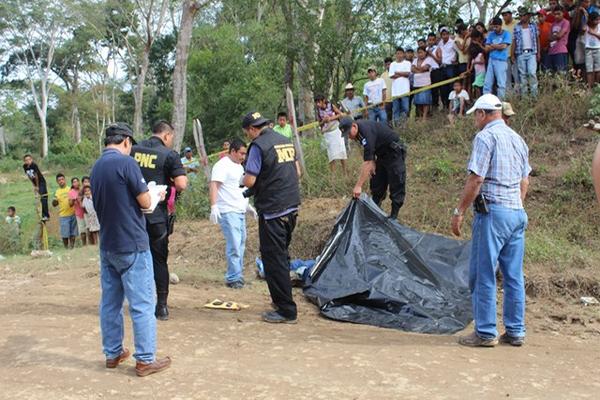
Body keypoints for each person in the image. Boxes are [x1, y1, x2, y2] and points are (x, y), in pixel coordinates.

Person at [91, 122, 171, 377]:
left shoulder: (96, 168)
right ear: (126, 141)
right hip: (132, 244)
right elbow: (145, 202)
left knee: (111, 303)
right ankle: (146, 359)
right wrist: (156, 194)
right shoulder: (127, 164)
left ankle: (112, 353)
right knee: (142, 304)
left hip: (108, 245)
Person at [451, 94, 531, 348]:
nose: (475, 119)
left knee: (483, 273)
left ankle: (485, 332)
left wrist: (459, 211)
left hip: (493, 213)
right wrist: (515, 206)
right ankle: (515, 330)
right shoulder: (517, 139)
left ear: (483, 114)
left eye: (476, 114)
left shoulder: (485, 137)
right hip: (516, 213)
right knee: (513, 275)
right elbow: (524, 181)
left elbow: (476, 179)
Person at [241, 111, 301, 324]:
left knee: (273, 260)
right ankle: (281, 301)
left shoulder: (258, 146)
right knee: (282, 256)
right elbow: (298, 172)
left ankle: (286, 310)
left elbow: (249, 180)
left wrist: (245, 180)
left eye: (248, 132)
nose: (249, 136)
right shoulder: (284, 140)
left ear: (252, 129)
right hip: (291, 207)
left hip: (273, 211)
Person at [130, 120, 188, 321]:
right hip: (156, 218)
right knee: (159, 260)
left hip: (132, 216)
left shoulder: (133, 149)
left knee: (134, 259)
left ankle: (137, 303)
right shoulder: (169, 155)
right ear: (166, 136)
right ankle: (161, 306)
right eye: (171, 138)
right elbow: (181, 184)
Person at [209, 139, 257, 289]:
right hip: (228, 210)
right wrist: (213, 206)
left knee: (241, 242)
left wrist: (247, 205)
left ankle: (238, 275)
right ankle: (233, 277)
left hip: (239, 209)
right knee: (235, 244)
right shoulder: (222, 165)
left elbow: (238, 188)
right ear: (233, 151)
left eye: (245, 153)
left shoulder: (239, 166)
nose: (244, 156)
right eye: (242, 153)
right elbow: (214, 185)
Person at [339, 117, 406, 220]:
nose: (349, 136)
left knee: (396, 183)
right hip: (381, 154)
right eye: (346, 135)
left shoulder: (366, 131)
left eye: (349, 133)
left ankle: (394, 217)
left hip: (394, 153)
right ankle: (375, 210)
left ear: (354, 126)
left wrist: (358, 186)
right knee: (377, 181)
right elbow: (369, 151)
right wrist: (373, 160)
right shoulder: (359, 133)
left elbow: (367, 163)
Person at [512, 7, 541, 97]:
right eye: (521, 16)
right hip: (520, 53)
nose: (522, 17)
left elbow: (537, 39)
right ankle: (525, 97)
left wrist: (538, 53)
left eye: (524, 15)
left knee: (532, 73)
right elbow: (514, 41)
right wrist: (512, 54)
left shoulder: (533, 25)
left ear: (528, 16)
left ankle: (534, 96)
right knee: (522, 75)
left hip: (532, 52)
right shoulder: (517, 27)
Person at [315, 95, 348, 172]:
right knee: (331, 155)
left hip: (336, 130)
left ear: (323, 100)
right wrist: (324, 121)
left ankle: (345, 172)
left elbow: (341, 114)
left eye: (319, 102)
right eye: (316, 102)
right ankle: (333, 177)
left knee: (342, 152)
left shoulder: (331, 106)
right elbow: (319, 123)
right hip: (328, 133)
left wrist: (331, 118)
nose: (317, 104)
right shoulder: (318, 111)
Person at [484, 17, 513, 99]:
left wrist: (492, 45)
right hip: (491, 60)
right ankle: (486, 101)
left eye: (496, 26)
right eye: (493, 26)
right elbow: (486, 48)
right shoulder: (491, 34)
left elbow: (504, 46)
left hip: (501, 61)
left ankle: (501, 102)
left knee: (501, 83)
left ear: (501, 25)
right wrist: (498, 46)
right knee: (487, 82)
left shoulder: (506, 34)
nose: (495, 28)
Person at [53, 173, 77, 249]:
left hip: (73, 213)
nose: (61, 181)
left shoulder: (70, 189)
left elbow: (74, 200)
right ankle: (66, 248)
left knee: (73, 233)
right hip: (63, 215)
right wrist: (54, 202)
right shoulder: (57, 192)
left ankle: (72, 248)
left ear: (65, 180)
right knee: (65, 234)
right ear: (57, 182)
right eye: (59, 180)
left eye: (62, 179)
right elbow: (54, 204)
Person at [389, 47, 412, 126]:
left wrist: (397, 72)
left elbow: (408, 74)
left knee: (405, 108)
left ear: (403, 54)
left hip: (405, 90)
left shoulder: (407, 63)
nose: (399, 55)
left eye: (400, 53)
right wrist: (402, 74)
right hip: (395, 92)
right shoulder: (392, 64)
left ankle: (404, 125)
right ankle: (397, 127)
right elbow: (391, 76)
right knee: (396, 110)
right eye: (397, 53)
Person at [436, 27, 458, 109]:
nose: (444, 36)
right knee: (443, 87)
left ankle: (452, 105)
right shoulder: (440, 43)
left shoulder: (453, 42)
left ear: (448, 34)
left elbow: (458, 51)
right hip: (442, 66)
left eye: (446, 34)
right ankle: (445, 105)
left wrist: (456, 61)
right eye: (443, 35)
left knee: (451, 86)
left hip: (450, 67)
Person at [23, 154, 49, 221]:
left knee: (44, 197)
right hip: (36, 184)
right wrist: (34, 185)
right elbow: (29, 176)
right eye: (26, 160)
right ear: (24, 161)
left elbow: (36, 175)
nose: (28, 161)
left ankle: (46, 215)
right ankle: (41, 214)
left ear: (31, 159)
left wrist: (37, 186)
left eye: (29, 159)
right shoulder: (25, 166)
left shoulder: (34, 165)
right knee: (39, 198)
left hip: (41, 182)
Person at [412, 47, 434, 121]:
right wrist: (420, 69)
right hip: (416, 84)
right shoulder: (415, 60)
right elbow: (412, 69)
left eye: (421, 52)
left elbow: (425, 68)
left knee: (425, 101)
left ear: (425, 52)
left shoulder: (429, 59)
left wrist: (417, 69)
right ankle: (420, 116)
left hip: (426, 83)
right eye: (419, 53)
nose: (420, 54)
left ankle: (424, 117)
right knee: (418, 101)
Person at [549, 5, 571, 72]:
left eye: (559, 14)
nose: (556, 16)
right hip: (551, 51)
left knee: (561, 73)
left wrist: (553, 37)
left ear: (563, 13)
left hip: (561, 50)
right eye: (555, 14)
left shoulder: (566, 22)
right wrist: (555, 37)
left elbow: (559, 35)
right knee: (553, 74)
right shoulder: (553, 24)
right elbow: (549, 38)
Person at [502, 10, 520, 93]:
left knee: (517, 76)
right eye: (503, 15)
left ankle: (518, 95)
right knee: (507, 77)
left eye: (506, 15)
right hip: (505, 55)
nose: (504, 17)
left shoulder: (517, 23)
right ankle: (509, 96)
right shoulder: (501, 24)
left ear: (510, 14)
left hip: (516, 54)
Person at [468, 29, 487, 99]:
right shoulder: (473, 59)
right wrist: (468, 70)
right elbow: (471, 68)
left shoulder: (480, 54)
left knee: (476, 85)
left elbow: (483, 62)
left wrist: (475, 62)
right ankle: (479, 98)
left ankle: (480, 98)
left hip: (482, 72)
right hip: (477, 73)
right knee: (477, 87)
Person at [69, 177, 87, 246]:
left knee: (89, 228)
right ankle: (84, 245)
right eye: (74, 182)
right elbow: (70, 204)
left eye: (77, 181)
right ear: (72, 184)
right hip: (78, 213)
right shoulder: (71, 192)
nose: (76, 183)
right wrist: (74, 199)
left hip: (86, 212)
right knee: (82, 230)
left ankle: (92, 243)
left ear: (79, 182)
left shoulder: (83, 189)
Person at [427, 32, 443, 110]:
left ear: (435, 40)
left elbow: (440, 61)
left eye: (433, 40)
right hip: (427, 72)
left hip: (435, 70)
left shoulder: (437, 48)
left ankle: (436, 106)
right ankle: (430, 107)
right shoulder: (425, 49)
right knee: (429, 90)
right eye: (430, 40)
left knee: (436, 89)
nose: (431, 42)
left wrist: (432, 55)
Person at [584, 11, 600, 87]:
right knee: (589, 69)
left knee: (598, 69)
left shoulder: (599, 26)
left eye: (598, 19)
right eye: (596, 20)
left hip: (598, 49)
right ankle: (589, 87)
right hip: (588, 49)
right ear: (590, 20)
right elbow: (583, 30)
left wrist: (593, 33)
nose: (597, 21)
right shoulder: (586, 26)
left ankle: (597, 86)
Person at [455, 24, 471, 90]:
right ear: (462, 31)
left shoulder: (469, 38)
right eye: (466, 30)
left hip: (469, 60)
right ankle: (463, 96)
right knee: (464, 80)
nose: (467, 31)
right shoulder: (457, 39)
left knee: (469, 81)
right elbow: (461, 48)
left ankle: (469, 97)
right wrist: (466, 38)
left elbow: (467, 48)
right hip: (462, 61)